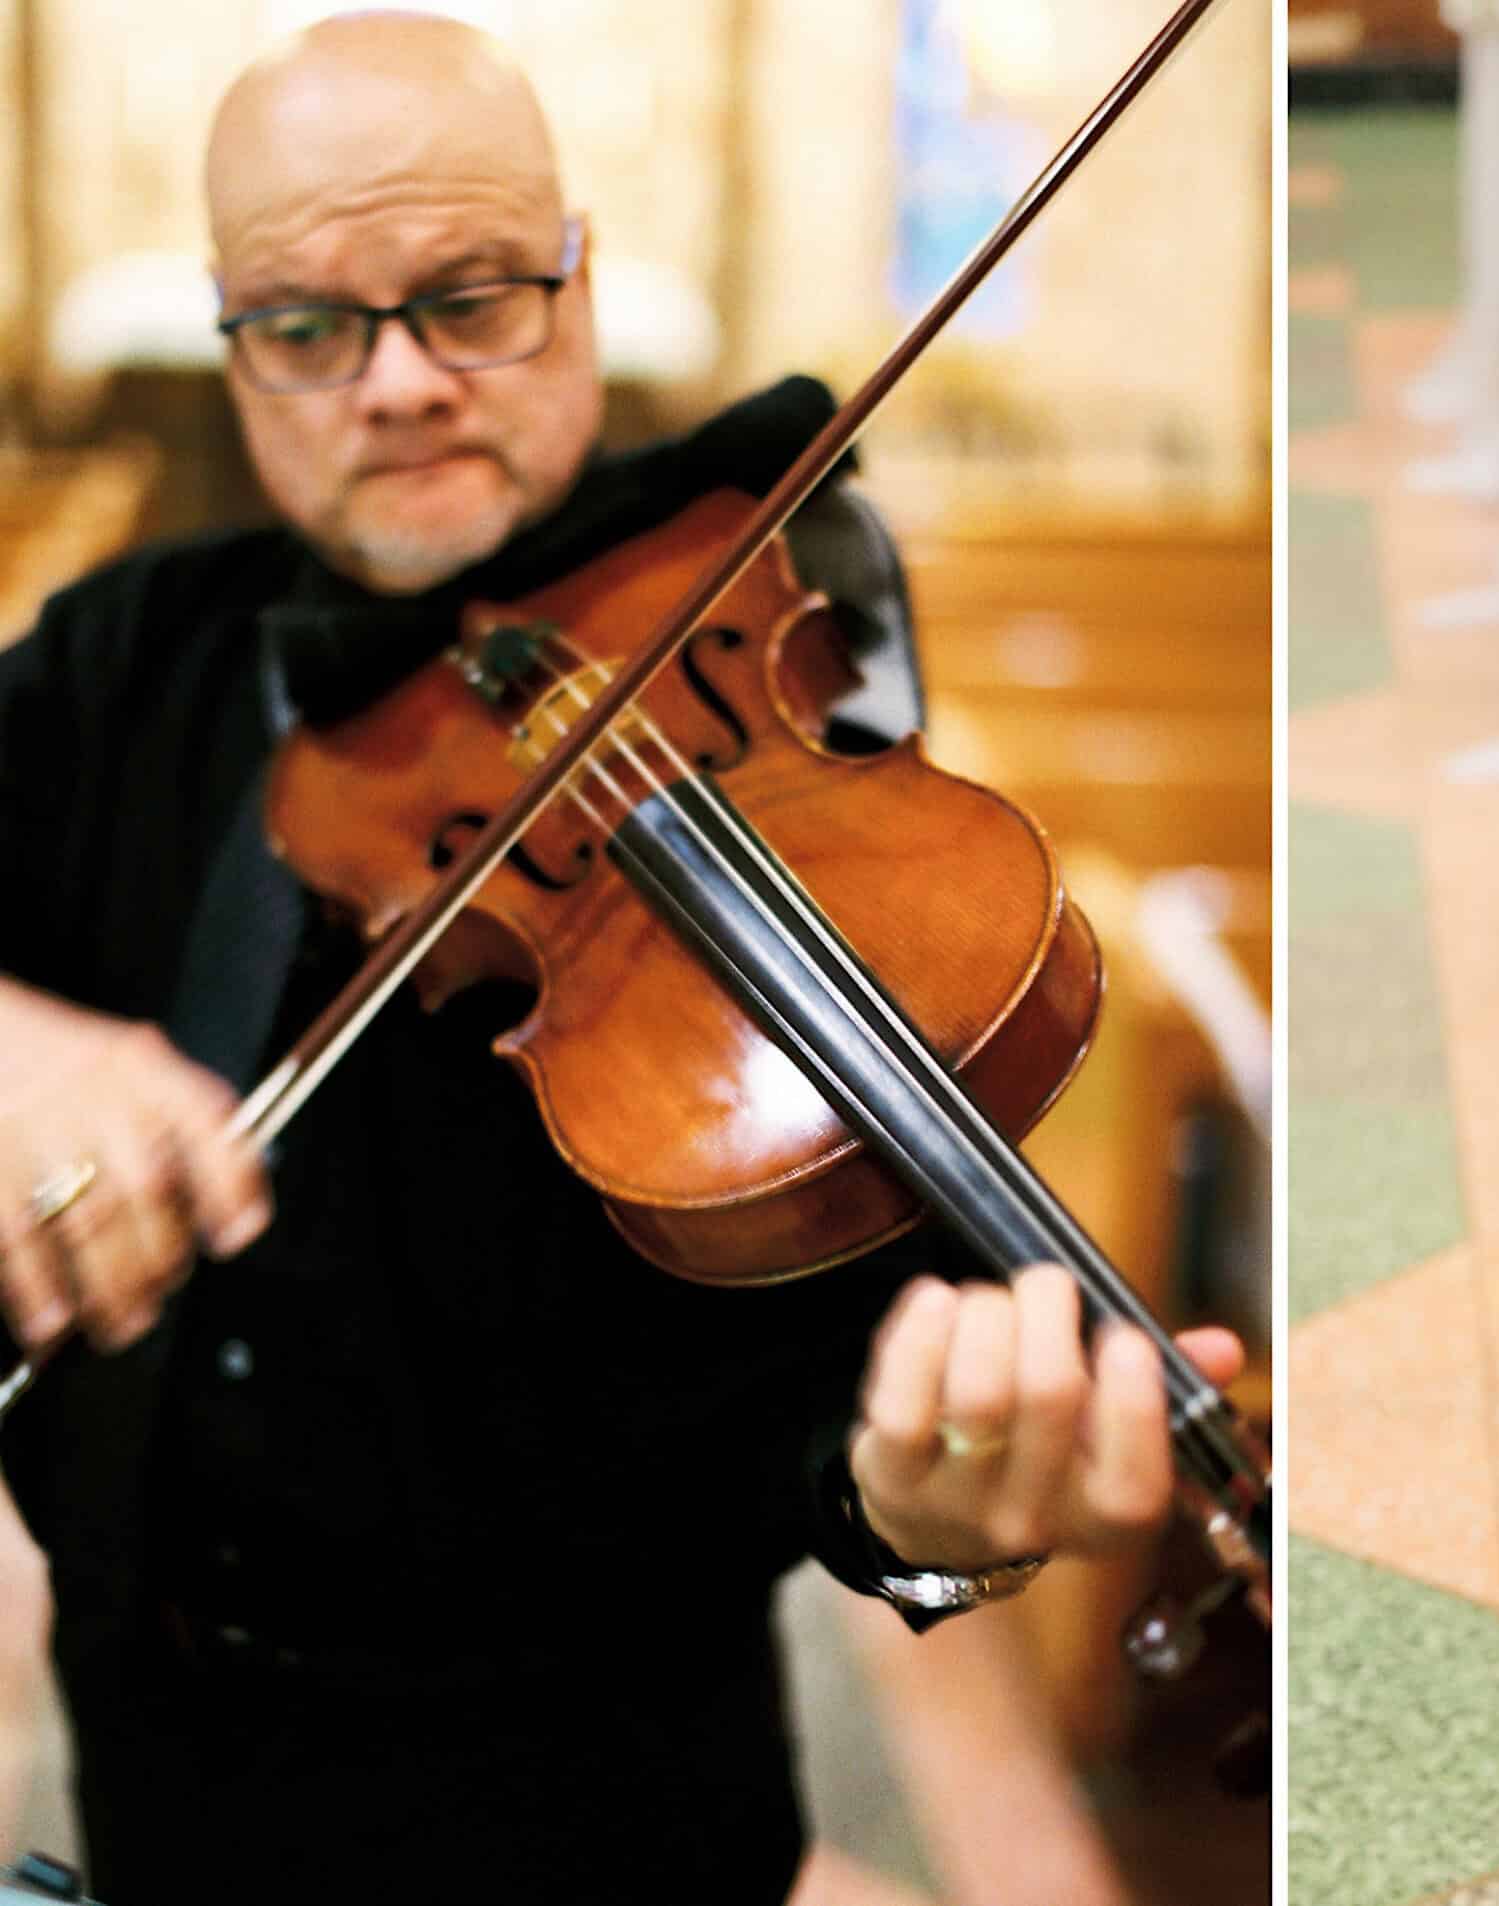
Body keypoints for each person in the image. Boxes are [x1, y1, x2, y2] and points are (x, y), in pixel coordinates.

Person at [0, 14, 1241, 1904]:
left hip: (608, 1818)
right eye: (314, 324)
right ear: (235, 345)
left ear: (577, 282)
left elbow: (845, 1383)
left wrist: (925, 1505)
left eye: (471, 296)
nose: (401, 382)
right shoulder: (121, 660)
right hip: (157, 1773)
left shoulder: (760, 681)